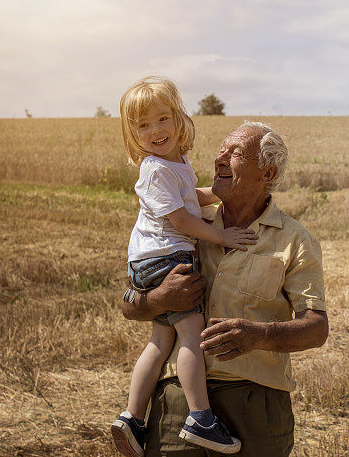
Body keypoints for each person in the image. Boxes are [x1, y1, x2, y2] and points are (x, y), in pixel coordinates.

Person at [120, 122, 329, 457]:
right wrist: (159, 298)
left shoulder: (295, 239)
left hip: (254, 406)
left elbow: (317, 329)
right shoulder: (184, 223)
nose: (220, 158)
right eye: (221, 149)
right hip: (176, 405)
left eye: (235, 153)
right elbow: (129, 304)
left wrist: (258, 335)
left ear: (266, 172)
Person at [112, 77, 256, 457]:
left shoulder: (175, 163)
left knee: (161, 342)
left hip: (151, 259)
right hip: (167, 258)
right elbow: (181, 219)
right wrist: (222, 236)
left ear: (178, 119)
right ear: (132, 134)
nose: (155, 130)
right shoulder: (156, 169)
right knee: (191, 335)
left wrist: (219, 193)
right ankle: (200, 418)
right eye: (142, 125)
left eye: (161, 119)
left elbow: (190, 197)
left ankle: (132, 418)